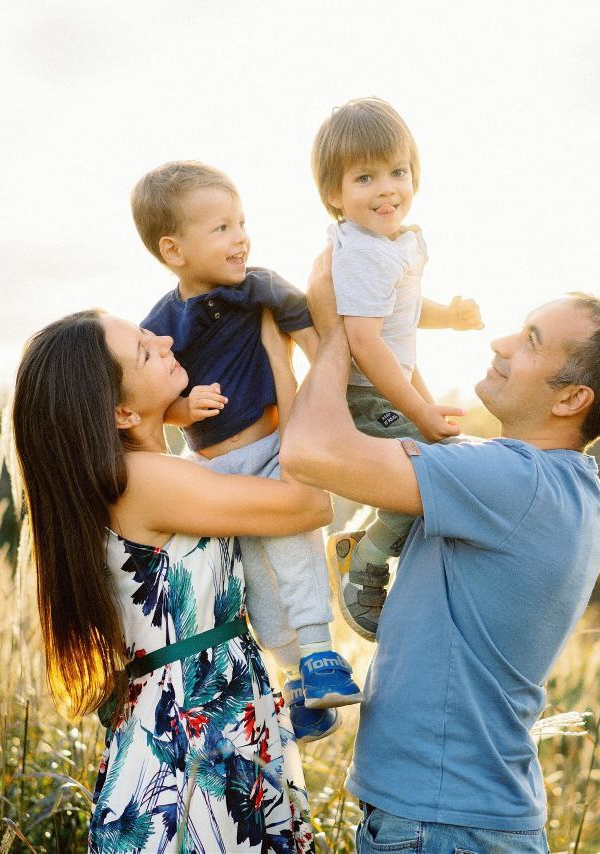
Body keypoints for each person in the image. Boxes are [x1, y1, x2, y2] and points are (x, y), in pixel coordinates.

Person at [280, 252, 600, 852]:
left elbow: (307, 451)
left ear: (571, 399)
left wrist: (334, 332)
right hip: (456, 820)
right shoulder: (560, 486)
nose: (502, 343)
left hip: (441, 826)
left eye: (531, 342)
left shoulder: (511, 481)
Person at [13, 310, 325, 852]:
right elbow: (309, 502)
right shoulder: (147, 481)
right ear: (121, 411)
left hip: (191, 716)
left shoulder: (135, 474)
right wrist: (280, 358)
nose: (163, 340)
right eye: (143, 350)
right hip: (197, 734)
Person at [132, 160, 361, 739]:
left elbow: (316, 345)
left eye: (242, 223)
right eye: (222, 229)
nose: (240, 238)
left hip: (267, 449)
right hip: (207, 467)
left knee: (292, 549)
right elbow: (153, 407)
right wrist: (185, 409)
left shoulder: (259, 287)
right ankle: (298, 680)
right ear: (173, 249)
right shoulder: (160, 324)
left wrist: (320, 413)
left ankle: (318, 649)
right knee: (252, 577)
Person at [309, 97, 483, 641]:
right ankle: (363, 558)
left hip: (393, 383)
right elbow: (364, 342)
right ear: (334, 195)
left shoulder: (396, 242)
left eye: (397, 172)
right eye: (365, 177)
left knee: (447, 462)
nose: (387, 188)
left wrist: (447, 319)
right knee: (433, 471)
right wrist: (418, 410)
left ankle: (379, 546)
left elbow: (397, 315)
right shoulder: (362, 251)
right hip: (366, 394)